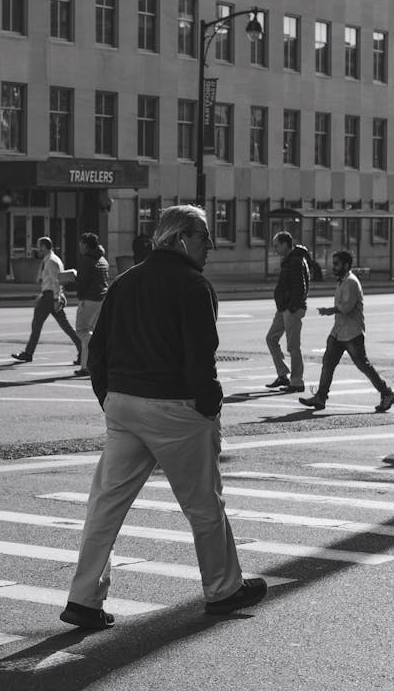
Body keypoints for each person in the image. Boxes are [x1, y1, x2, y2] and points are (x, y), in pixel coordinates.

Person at [59, 204, 267, 630]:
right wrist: (209, 405)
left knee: (106, 506)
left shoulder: (125, 282)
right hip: (175, 407)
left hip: (123, 404)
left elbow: (98, 350)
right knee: (203, 504)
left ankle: (83, 600)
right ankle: (224, 589)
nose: (210, 245)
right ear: (180, 238)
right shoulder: (195, 285)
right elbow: (200, 358)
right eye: (204, 236)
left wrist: (108, 396)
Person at [298, 250, 394, 413]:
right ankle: (320, 397)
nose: (334, 267)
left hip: (352, 333)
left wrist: (330, 310)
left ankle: (387, 393)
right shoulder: (342, 281)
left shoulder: (351, 282)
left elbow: (347, 307)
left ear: (346, 265)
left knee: (363, 366)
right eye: (334, 263)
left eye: (337, 264)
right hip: (338, 332)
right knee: (328, 364)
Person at [11, 237, 82, 363]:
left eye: (39, 246)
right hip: (50, 296)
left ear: (44, 247)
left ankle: (28, 353)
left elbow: (56, 281)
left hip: (50, 297)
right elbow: (54, 282)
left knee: (37, 325)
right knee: (66, 326)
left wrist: (55, 298)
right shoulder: (53, 259)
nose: (37, 249)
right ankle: (82, 350)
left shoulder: (51, 262)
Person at [265, 231, 310, 392]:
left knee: (293, 346)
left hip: (291, 308)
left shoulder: (296, 261)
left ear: (285, 244)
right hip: (284, 308)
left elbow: (301, 287)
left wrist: (291, 307)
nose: (275, 248)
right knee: (271, 338)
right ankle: (283, 374)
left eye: (277, 245)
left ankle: (297, 382)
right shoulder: (290, 260)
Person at [72, 232, 110, 378]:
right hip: (101, 299)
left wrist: (67, 283)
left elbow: (82, 282)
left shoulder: (86, 260)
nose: (79, 247)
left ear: (86, 245)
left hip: (88, 299)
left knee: (83, 332)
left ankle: (86, 365)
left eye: (81, 244)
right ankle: (91, 364)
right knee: (91, 331)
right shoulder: (102, 259)